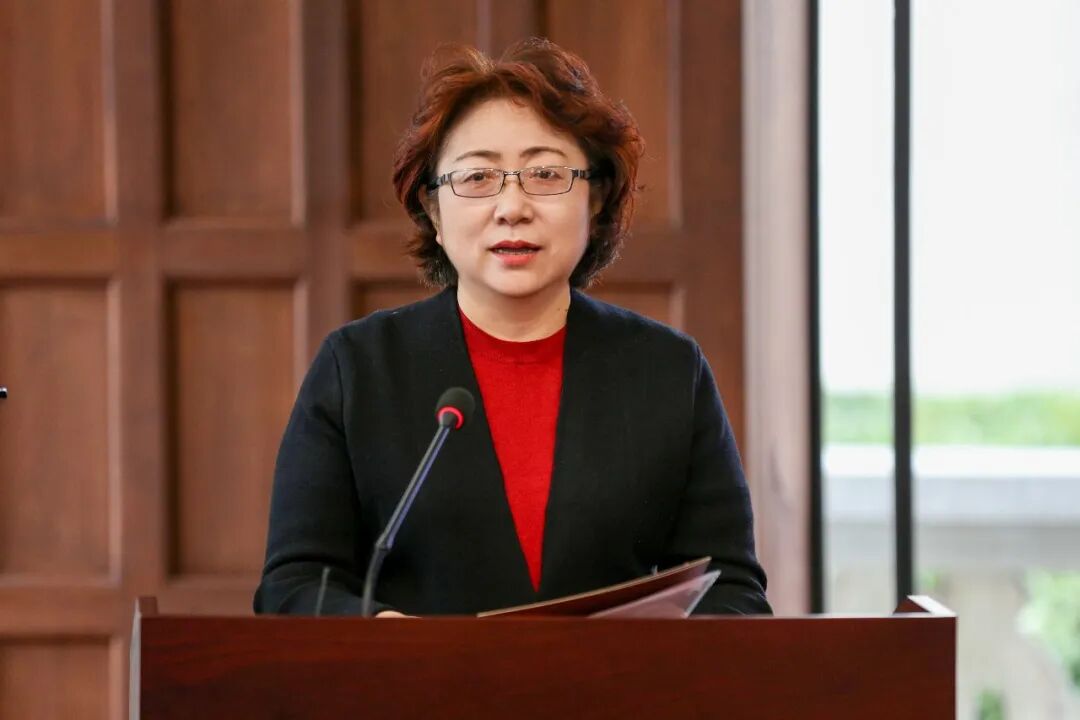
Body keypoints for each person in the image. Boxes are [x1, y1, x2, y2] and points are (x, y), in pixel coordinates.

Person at [254, 38, 770, 617]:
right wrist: (385, 633)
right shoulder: (358, 368)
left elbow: (731, 591)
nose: (512, 207)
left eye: (545, 174)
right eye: (478, 178)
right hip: (418, 677)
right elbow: (294, 584)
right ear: (433, 210)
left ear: (595, 200)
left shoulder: (667, 370)